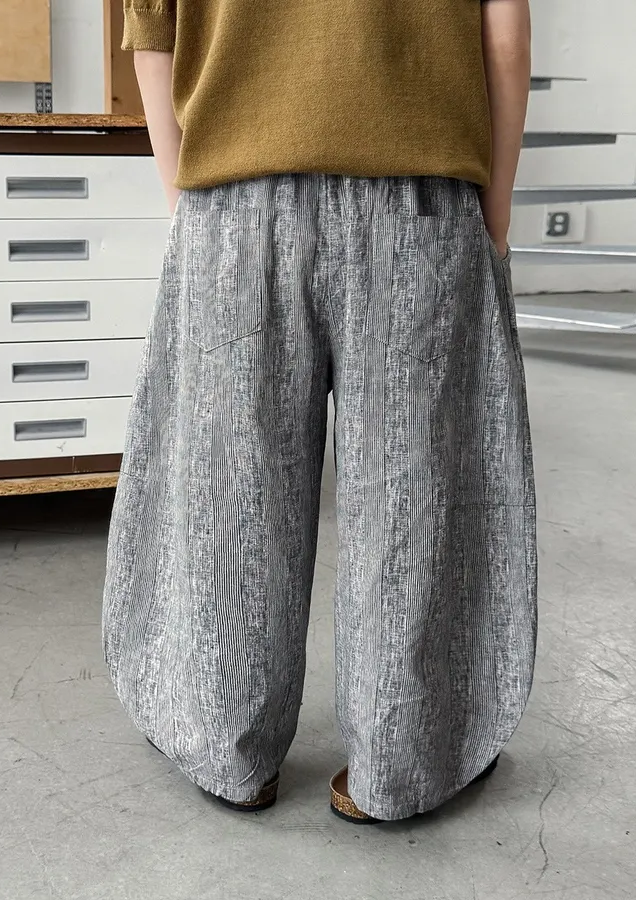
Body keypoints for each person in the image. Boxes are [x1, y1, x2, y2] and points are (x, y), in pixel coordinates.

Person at [103, 0, 536, 822]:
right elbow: (504, 34)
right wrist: (497, 209)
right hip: (422, 198)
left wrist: (183, 199)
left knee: (230, 495)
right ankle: (403, 761)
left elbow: (152, 34)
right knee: (414, 493)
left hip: (234, 200)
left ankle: (225, 743)